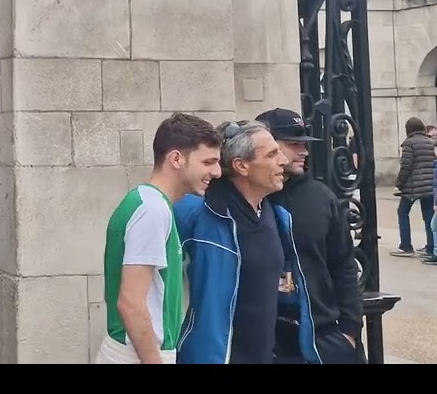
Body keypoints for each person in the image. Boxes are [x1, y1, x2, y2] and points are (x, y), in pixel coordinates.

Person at [174, 120, 322, 364]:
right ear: (242, 165)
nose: (283, 161)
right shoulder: (197, 213)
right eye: (272, 154)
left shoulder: (276, 216)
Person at [98, 112, 222, 364]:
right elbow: (131, 303)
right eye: (208, 162)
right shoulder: (152, 209)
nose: (217, 172)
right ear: (176, 159)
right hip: (138, 355)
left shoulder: (151, 204)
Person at [256, 108, 363, 364]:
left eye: (304, 143)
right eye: (293, 144)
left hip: (322, 337)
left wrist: (349, 330)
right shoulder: (246, 198)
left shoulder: (321, 197)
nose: (303, 151)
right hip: (265, 341)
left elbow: (344, 264)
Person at [391, 117, 434, 259]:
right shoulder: (429, 142)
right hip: (428, 185)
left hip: (413, 186)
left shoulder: (409, 143)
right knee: (428, 216)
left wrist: (399, 184)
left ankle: (406, 246)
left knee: (402, 212)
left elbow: (406, 167)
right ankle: (431, 247)